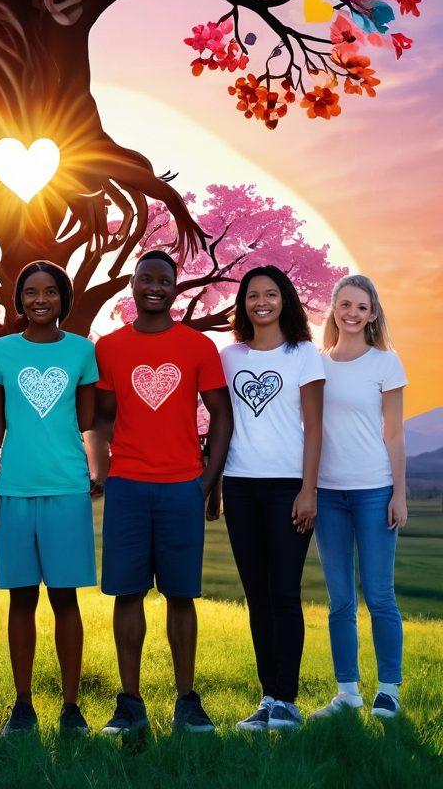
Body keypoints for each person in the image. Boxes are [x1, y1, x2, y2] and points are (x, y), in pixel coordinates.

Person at [88, 250, 233, 736]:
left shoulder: (198, 347)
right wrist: (106, 471)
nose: (154, 286)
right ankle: (130, 704)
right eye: (145, 279)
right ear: (132, 286)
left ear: (176, 287)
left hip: (181, 488)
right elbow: (102, 416)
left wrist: (207, 481)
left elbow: (222, 414)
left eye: (163, 279)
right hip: (128, 486)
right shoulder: (108, 347)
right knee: (126, 594)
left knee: (181, 595)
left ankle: (186, 702)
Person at [0, 262, 97, 736]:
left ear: (64, 298)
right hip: (15, 489)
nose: (39, 300)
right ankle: (22, 706)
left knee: (65, 598)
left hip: (67, 487)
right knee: (21, 598)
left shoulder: (83, 351)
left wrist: (93, 472)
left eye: (49, 292)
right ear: (18, 299)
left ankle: (71, 708)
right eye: (29, 292)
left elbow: (85, 420)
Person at [219, 265, 324, 732]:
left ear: (285, 300)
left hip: (287, 486)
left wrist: (308, 489)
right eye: (253, 295)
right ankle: (267, 698)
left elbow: (315, 426)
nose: (261, 302)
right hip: (239, 485)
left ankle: (288, 700)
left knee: (284, 592)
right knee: (257, 596)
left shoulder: (303, 354)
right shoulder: (230, 357)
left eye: (271, 294)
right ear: (242, 303)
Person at [312, 275, 407, 722]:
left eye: (362, 307)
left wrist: (400, 494)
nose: (352, 313)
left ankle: (388, 689)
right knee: (340, 600)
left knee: (380, 594)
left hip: (374, 490)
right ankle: (347, 693)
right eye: (345, 304)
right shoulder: (315, 364)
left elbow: (394, 433)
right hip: (328, 494)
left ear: (372, 314)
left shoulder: (386, 364)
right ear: (333, 308)